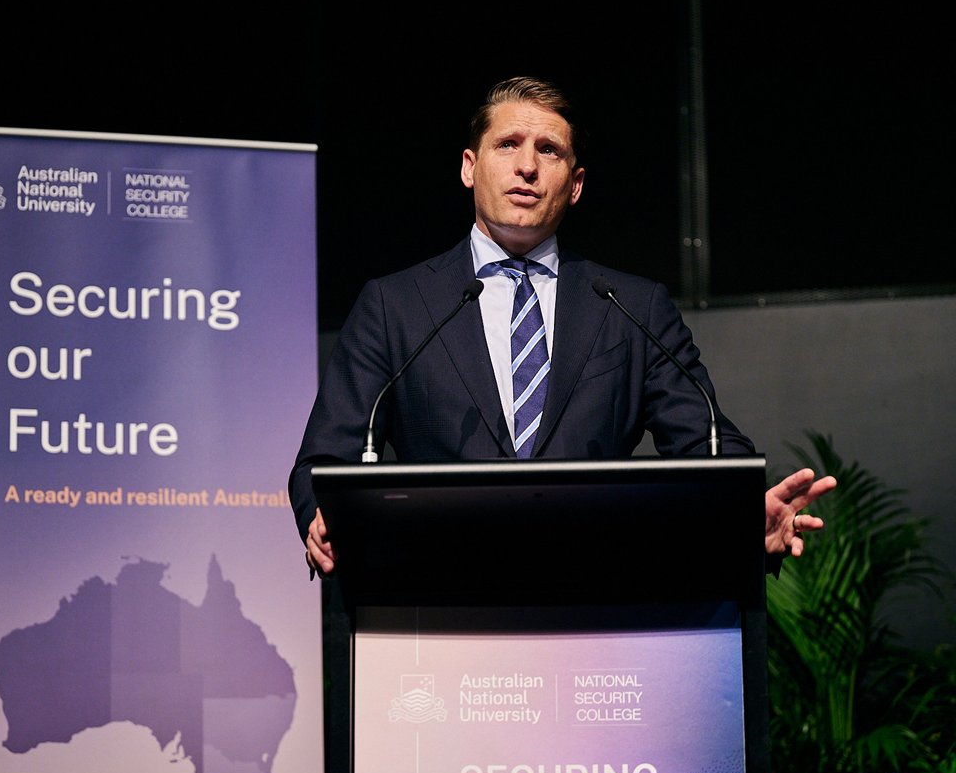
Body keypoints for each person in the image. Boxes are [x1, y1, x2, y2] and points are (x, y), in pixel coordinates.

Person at [291, 75, 835, 578]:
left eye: (548, 150)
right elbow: (325, 460)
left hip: (596, 601)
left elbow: (706, 440)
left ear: (575, 184)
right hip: (431, 599)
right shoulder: (395, 305)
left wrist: (745, 507)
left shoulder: (630, 306)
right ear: (469, 167)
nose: (527, 166)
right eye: (508, 145)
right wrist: (325, 517)